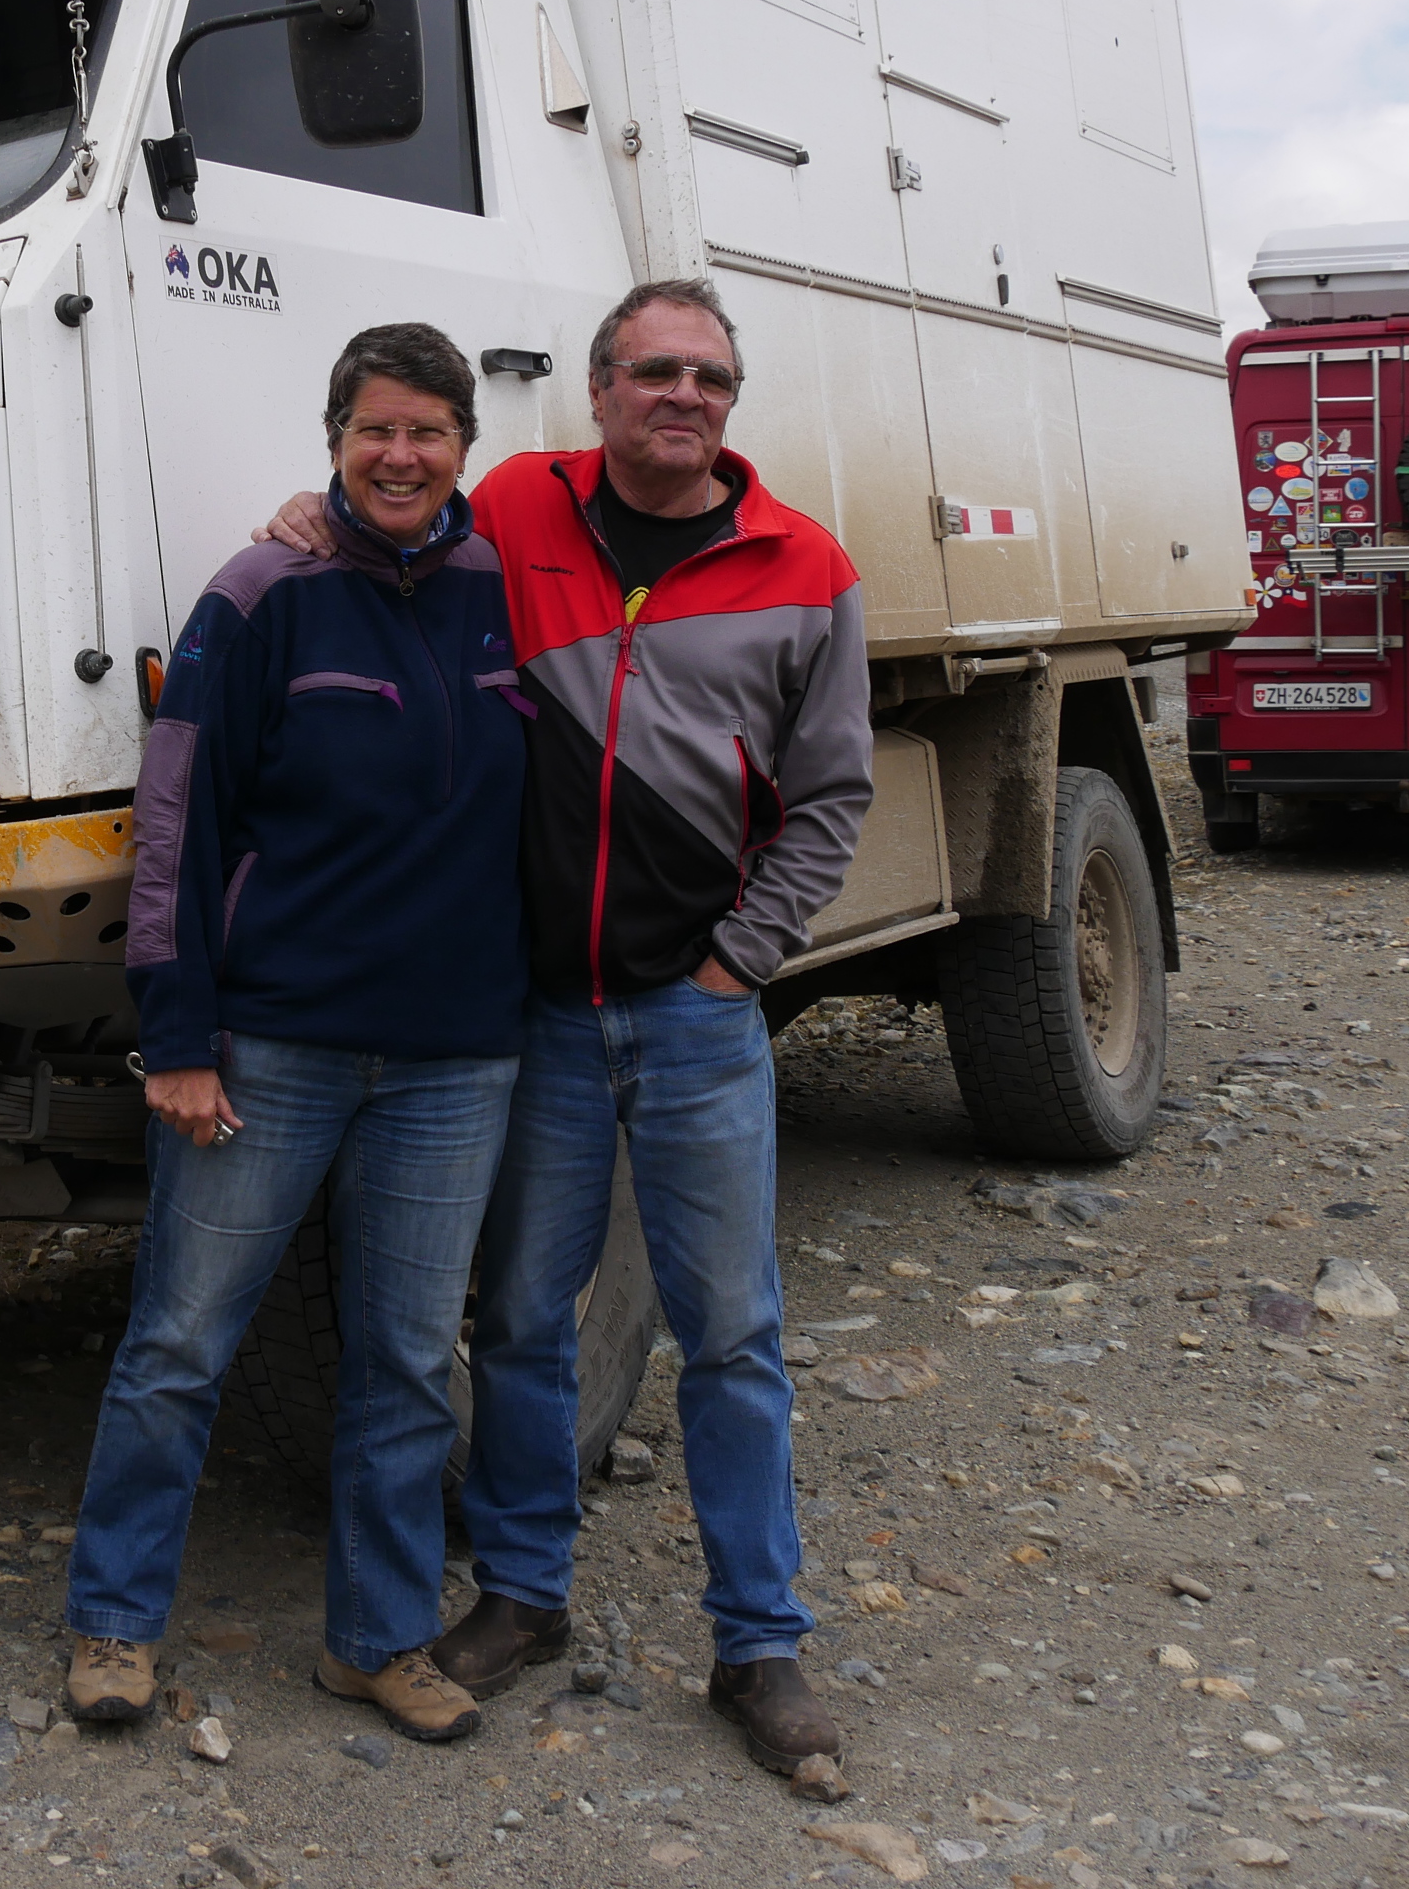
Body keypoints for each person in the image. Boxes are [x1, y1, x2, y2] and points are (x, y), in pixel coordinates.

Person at [261, 275, 873, 1777]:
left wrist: (736, 966)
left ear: (731, 403)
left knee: (732, 1336)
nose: (683, 396)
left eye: (709, 378)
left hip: (695, 1019)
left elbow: (832, 796)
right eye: (654, 371)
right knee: (524, 1323)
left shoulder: (807, 565)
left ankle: (759, 1644)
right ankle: (526, 1594)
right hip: (538, 1011)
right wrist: (304, 518)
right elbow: (395, 521)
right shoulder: (523, 502)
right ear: (598, 390)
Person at [62, 322, 535, 1747]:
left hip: (455, 1055)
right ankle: (113, 1624)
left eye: (430, 431)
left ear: (466, 447)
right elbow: (176, 825)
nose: (402, 455)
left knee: (406, 1362)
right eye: (376, 428)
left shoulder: (511, 592)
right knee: (180, 1343)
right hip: (273, 1046)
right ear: (334, 438)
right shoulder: (260, 594)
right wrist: (177, 1034)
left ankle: (377, 1640)